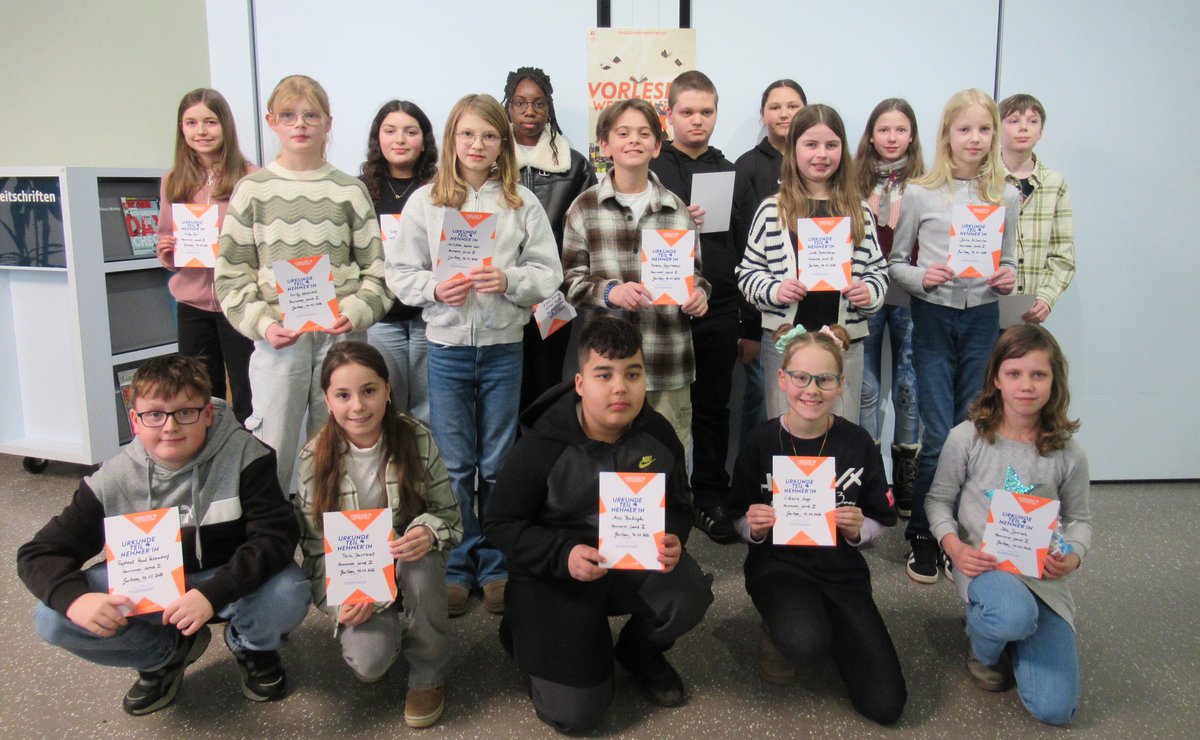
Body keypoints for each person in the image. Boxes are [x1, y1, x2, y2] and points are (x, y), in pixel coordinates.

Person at [17, 354, 308, 715]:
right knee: (52, 618)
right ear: (135, 421)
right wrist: (77, 601)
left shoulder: (247, 455)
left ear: (206, 414)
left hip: (228, 582)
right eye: (154, 414)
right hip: (150, 593)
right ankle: (164, 655)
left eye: (185, 412)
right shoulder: (113, 479)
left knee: (288, 590)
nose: (170, 426)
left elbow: (276, 536)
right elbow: (39, 552)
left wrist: (212, 593)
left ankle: (251, 645)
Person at [485, 316, 714, 733]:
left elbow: (680, 504)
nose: (619, 388)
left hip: (627, 562)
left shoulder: (659, 434)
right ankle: (522, 628)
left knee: (687, 593)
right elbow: (500, 522)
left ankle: (639, 654)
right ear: (579, 382)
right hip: (554, 573)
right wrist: (562, 554)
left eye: (632, 373)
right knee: (576, 714)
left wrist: (676, 537)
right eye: (603, 374)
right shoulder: (541, 445)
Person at [387, 94, 561, 617]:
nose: (478, 145)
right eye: (467, 135)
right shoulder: (426, 203)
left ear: (502, 143)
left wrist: (509, 280)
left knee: (499, 463)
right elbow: (399, 274)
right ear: (451, 140)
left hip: (505, 347)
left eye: (489, 136)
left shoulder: (521, 203)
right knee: (456, 463)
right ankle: (460, 563)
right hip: (446, 349)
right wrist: (437, 290)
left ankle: (499, 564)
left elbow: (548, 273)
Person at [216, 74, 390, 494]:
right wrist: (261, 323)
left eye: (311, 115)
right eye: (289, 115)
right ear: (271, 121)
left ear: (328, 122)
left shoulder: (349, 190)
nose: (300, 124)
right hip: (280, 342)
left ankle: (336, 541)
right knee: (273, 444)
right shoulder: (251, 191)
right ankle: (274, 540)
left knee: (341, 443)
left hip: (340, 342)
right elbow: (231, 274)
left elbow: (378, 274)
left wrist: (352, 314)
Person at [728, 325, 905, 724]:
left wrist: (860, 529)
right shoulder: (760, 442)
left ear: (841, 384)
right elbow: (737, 514)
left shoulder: (858, 443)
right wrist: (753, 527)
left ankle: (830, 625)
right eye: (801, 377)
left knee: (885, 705)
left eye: (825, 379)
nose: (811, 389)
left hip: (842, 573)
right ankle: (781, 626)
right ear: (782, 379)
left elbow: (880, 518)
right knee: (805, 642)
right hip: (778, 566)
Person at [926, 324, 1091, 725]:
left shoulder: (1068, 452)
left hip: (1043, 580)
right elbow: (938, 502)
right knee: (1011, 614)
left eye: (1039, 375)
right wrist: (954, 548)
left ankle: (1013, 631)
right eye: (1015, 374)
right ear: (997, 378)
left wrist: (1073, 556)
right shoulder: (966, 438)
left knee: (1055, 709)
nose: (1027, 386)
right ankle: (985, 649)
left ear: (1055, 381)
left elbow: (1080, 521)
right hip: (984, 567)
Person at [888, 89, 1019, 584]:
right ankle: (923, 532)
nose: (975, 139)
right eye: (965, 129)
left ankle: (959, 534)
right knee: (940, 434)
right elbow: (896, 263)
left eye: (984, 130)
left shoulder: (1004, 195)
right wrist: (925, 278)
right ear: (947, 135)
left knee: (974, 430)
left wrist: (1007, 276)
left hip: (983, 315)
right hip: (934, 318)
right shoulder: (921, 192)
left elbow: (1008, 261)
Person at [294, 342, 461, 728]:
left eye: (369, 391)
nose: (358, 406)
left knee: (421, 565)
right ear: (327, 400)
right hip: (359, 578)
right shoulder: (310, 460)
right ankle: (383, 635)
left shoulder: (416, 438)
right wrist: (340, 606)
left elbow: (450, 516)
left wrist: (428, 531)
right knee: (370, 663)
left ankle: (427, 673)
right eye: (343, 395)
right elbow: (316, 553)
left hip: (410, 559)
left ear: (388, 390)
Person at [562, 97, 711, 454]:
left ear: (658, 146)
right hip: (606, 365)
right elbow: (568, 281)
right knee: (605, 457)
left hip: (666, 360)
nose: (634, 140)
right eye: (623, 133)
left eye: (644, 134)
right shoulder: (584, 208)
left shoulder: (677, 210)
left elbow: (697, 276)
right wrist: (609, 292)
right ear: (605, 144)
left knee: (671, 457)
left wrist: (700, 295)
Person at [736, 103, 887, 426]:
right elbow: (747, 274)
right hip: (785, 343)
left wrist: (869, 291)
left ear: (842, 150)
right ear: (793, 150)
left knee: (841, 434)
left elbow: (878, 271)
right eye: (811, 144)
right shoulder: (771, 210)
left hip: (845, 343)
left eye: (831, 145)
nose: (821, 154)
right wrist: (775, 290)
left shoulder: (858, 210)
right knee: (786, 432)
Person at [648, 70, 742, 544]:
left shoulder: (729, 169)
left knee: (712, 408)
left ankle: (710, 497)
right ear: (669, 114)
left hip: (719, 305)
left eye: (706, 112)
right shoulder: (650, 168)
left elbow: (742, 244)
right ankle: (662, 501)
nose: (697, 120)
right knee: (657, 411)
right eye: (686, 112)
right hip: (660, 310)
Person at [155, 88, 257, 423]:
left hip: (239, 300)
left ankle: (249, 462)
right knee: (199, 392)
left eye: (210, 122)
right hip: (192, 303)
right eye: (191, 122)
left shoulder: (251, 177)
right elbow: (166, 236)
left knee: (248, 390)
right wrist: (169, 253)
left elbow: (261, 241)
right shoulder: (173, 180)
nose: (201, 131)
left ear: (225, 125)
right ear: (181, 129)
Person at [501, 66, 596, 409]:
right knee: (502, 387)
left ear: (549, 109)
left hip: (552, 294)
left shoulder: (574, 165)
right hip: (500, 290)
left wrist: (565, 284)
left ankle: (541, 458)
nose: (529, 112)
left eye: (539, 104)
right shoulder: (491, 160)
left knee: (544, 382)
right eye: (521, 103)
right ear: (508, 107)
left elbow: (588, 231)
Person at [852, 98, 926, 517]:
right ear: (871, 135)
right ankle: (871, 477)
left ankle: (906, 476)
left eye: (900, 130)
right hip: (864, 292)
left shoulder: (927, 184)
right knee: (866, 388)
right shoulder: (854, 181)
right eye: (884, 130)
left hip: (911, 295)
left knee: (908, 387)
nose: (892, 138)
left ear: (912, 135)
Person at [731, 79, 807, 447]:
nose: (785, 113)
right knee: (763, 400)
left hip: (819, 311)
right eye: (776, 106)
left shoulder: (821, 168)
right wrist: (747, 325)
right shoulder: (746, 167)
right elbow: (745, 253)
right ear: (762, 115)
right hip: (765, 315)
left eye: (793, 106)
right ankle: (755, 482)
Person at [358, 100, 438, 425]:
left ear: (425, 140)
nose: (400, 139)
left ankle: (425, 471)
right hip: (381, 316)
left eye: (410, 131)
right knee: (385, 406)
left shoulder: (441, 188)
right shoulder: (361, 190)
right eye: (390, 131)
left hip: (428, 315)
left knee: (429, 409)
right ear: (378, 138)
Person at [998, 93, 1075, 324]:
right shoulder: (983, 180)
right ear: (997, 129)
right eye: (1014, 121)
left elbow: (1062, 254)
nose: (1024, 128)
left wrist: (1046, 298)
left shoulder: (1055, 183)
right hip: (985, 306)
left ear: (1041, 131)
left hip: (1028, 310)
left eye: (1032, 121)